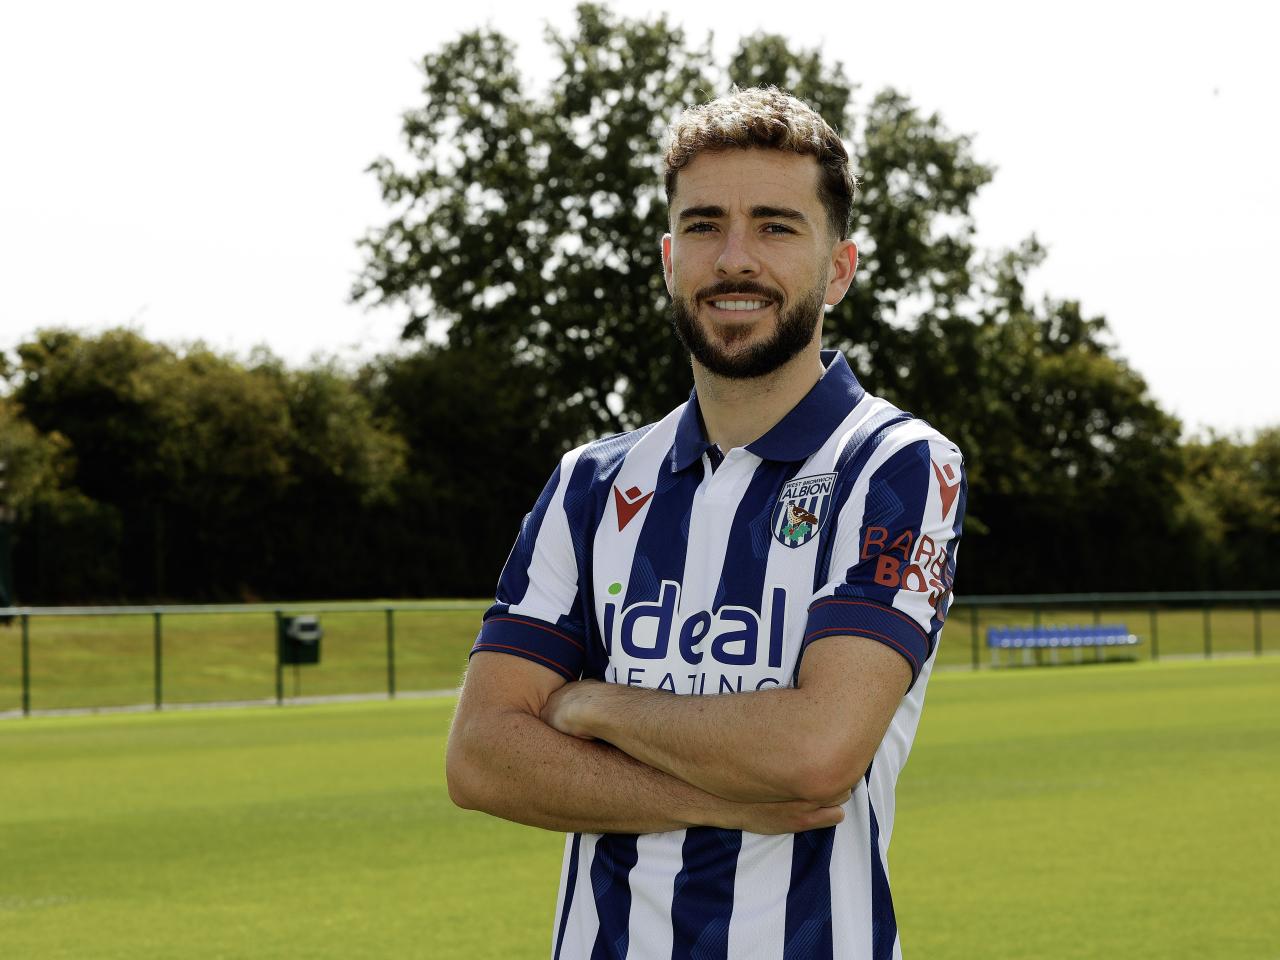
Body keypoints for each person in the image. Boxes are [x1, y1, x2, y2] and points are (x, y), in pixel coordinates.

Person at [446, 85, 966, 960]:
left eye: (775, 225)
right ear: (668, 257)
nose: (734, 258)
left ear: (838, 268)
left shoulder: (898, 465)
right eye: (703, 226)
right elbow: (481, 757)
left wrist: (588, 704)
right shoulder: (589, 482)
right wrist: (729, 797)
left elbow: (814, 755)